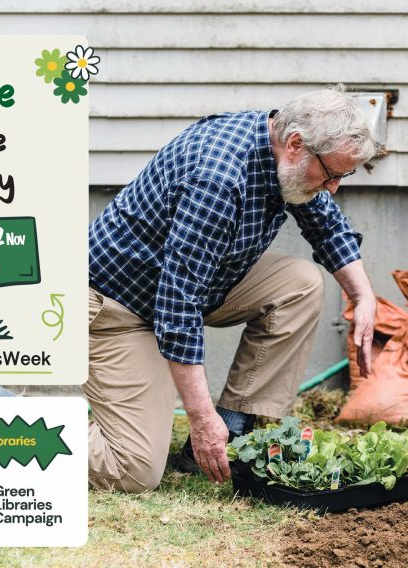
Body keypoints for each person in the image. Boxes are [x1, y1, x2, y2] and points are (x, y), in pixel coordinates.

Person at [85, 87, 380, 492]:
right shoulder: (219, 179)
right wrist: (200, 416)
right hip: (116, 309)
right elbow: (177, 308)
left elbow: (325, 223)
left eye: (342, 177)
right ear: (296, 145)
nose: (332, 189)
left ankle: (232, 429)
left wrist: (363, 295)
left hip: (192, 286)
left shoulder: (284, 150)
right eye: (330, 175)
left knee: (300, 284)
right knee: (134, 470)